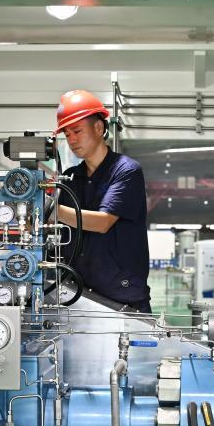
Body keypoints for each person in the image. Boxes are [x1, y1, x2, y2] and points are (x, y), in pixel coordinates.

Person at [53, 90, 152, 313]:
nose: (71, 140)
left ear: (99, 128)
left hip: (124, 301)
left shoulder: (126, 171)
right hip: (79, 297)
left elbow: (103, 222)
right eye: (66, 134)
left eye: (77, 131)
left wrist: (51, 210)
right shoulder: (71, 177)